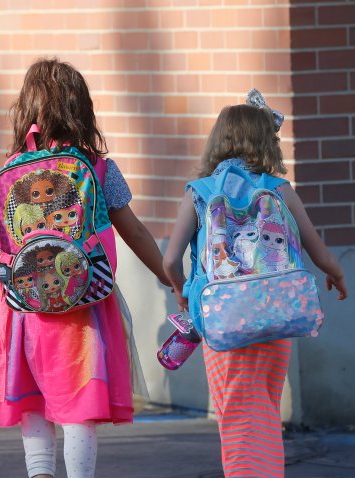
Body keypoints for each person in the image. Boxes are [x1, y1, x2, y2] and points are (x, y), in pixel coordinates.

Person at [0, 59, 171, 478]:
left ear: (26, 109)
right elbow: (135, 232)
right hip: (84, 304)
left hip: (22, 308)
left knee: (32, 401)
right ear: (81, 109)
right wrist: (169, 275)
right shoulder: (98, 167)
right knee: (79, 406)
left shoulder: (9, 171)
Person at [162, 98, 348, 477]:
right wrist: (337, 274)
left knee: (237, 412)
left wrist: (182, 290)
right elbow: (316, 247)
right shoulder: (279, 188)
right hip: (276, 315)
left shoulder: (198, 191)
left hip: (223, 318)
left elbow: (170, 259)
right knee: (263, 406)